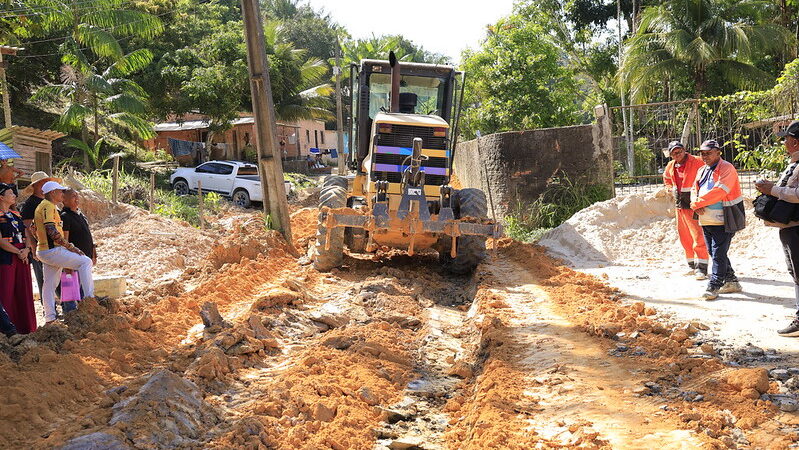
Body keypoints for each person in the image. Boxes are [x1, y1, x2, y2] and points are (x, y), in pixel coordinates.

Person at [755, 120, 799, 336]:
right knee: (795, 273)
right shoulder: (794, 164)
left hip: (797, 227)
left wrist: (773, 190)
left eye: (787, 139)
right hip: (789, 226)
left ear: (796, 143)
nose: (784, 143)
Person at [690, 139, 746, 300]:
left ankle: (714, 285)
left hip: (724, 218)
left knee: (718, 253)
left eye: (708, 153)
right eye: (702, 153)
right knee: (714, 252)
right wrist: (695, 203)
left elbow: (720, 190)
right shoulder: (702, 170)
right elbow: (695, 188)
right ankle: (731, 281)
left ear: (718, 152)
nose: (705, 156)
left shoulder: (727, 168)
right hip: (706, 218)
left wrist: (698, 203)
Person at [34, 181, 95, 323]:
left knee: (49, 285)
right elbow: (51, 230)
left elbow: (33, 227)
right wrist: (70, 247)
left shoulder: (45, 207)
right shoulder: (48, 207)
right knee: (85, 261)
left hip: (45, 250)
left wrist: (40, 241)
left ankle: (50, 318)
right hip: (52, 250)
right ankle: (90, 299)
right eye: (60, 191)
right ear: (53, 192)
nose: (62, 194)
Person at [662, 141, 709, 279]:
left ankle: (702, 267)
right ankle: (691, 264)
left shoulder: (697, 161)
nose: (678, 154)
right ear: (670, 155)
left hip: (694, 204)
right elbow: (667, 179)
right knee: (685, 236)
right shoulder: (671, 166)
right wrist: (669, 189)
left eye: (680, 151)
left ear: (684, 150)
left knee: (698, 235)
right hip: (680, 205)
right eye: (674, 153)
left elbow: (711, 173)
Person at [0, 183, 35, 334]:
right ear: (1, 197)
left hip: (23, 257)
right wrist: (18, 251)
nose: (14, 195)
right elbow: (1, 241)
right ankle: (7, 329)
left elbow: (26, 234)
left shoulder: (16, 214)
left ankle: (26, 327)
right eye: (10, 193)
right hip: (7, 257)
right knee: (6, 291)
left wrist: (26, 249)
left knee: (24, 291)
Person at [21, 171, 61, 297]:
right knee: (43, 278)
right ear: (35, 186)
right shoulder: (29, 204)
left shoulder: (50, 202)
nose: (45, 184)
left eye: (46, 182)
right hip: (41, 246)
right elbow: (27, 228)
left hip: (54, 245)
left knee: (55, 277)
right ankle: (47, 307)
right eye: (42, 182)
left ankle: (60, 303)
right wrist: (33, 247)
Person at [60, 189, 96, 303]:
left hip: (86, 257)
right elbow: (65, 239)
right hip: (74, 258)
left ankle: (86, 306)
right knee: (71, 288)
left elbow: (88, 235)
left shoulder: (81, 215)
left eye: (77, 195)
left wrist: (94, 253)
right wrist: (67, 263)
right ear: (64, 200)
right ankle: (71, 311)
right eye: (73, 196)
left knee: (83, 285)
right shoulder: (65, 216)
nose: (76, 198)